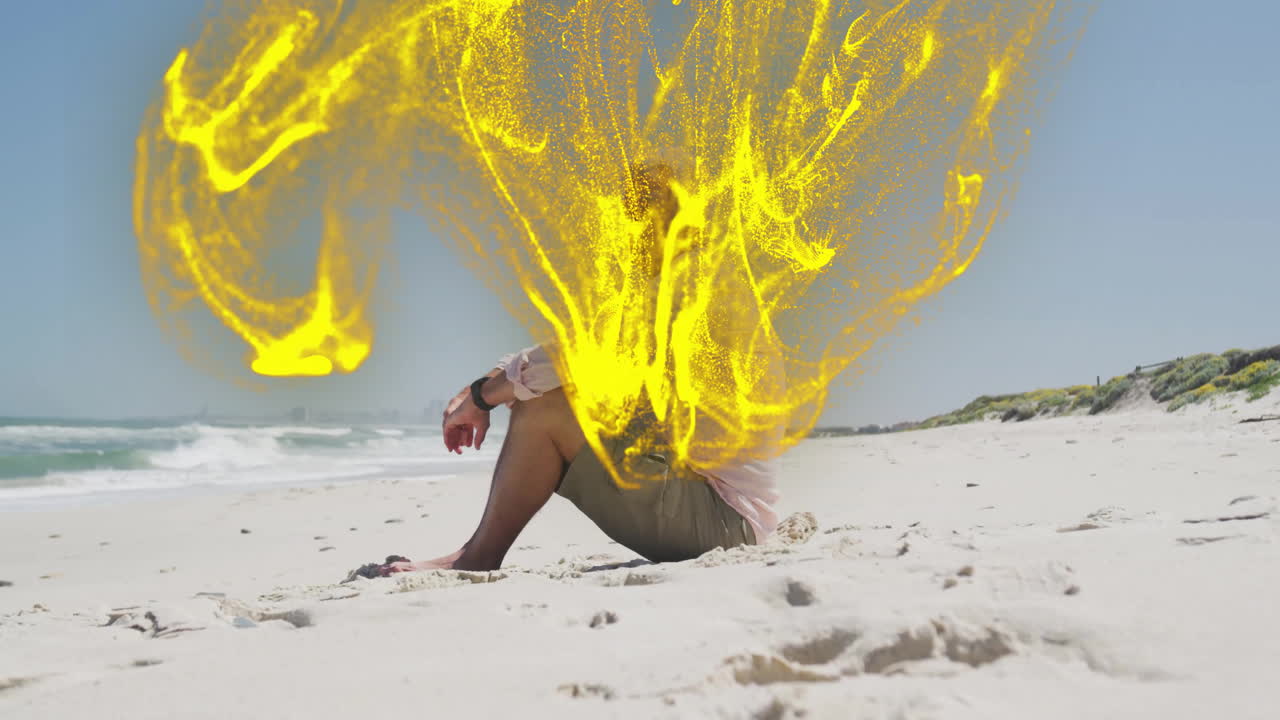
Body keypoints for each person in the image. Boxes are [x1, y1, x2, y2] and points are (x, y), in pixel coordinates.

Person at [385, 162, 781, 573]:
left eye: (637, 212)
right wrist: (479, 390)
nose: (627, 228)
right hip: (720, 514)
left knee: (545, 408)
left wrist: (481, 398)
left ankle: (478, 556)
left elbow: (564, 362)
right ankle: (477, 552)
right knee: (549, 394)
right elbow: (563, 353)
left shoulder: (691, 283)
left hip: (721, 522)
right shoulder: (698, 278)